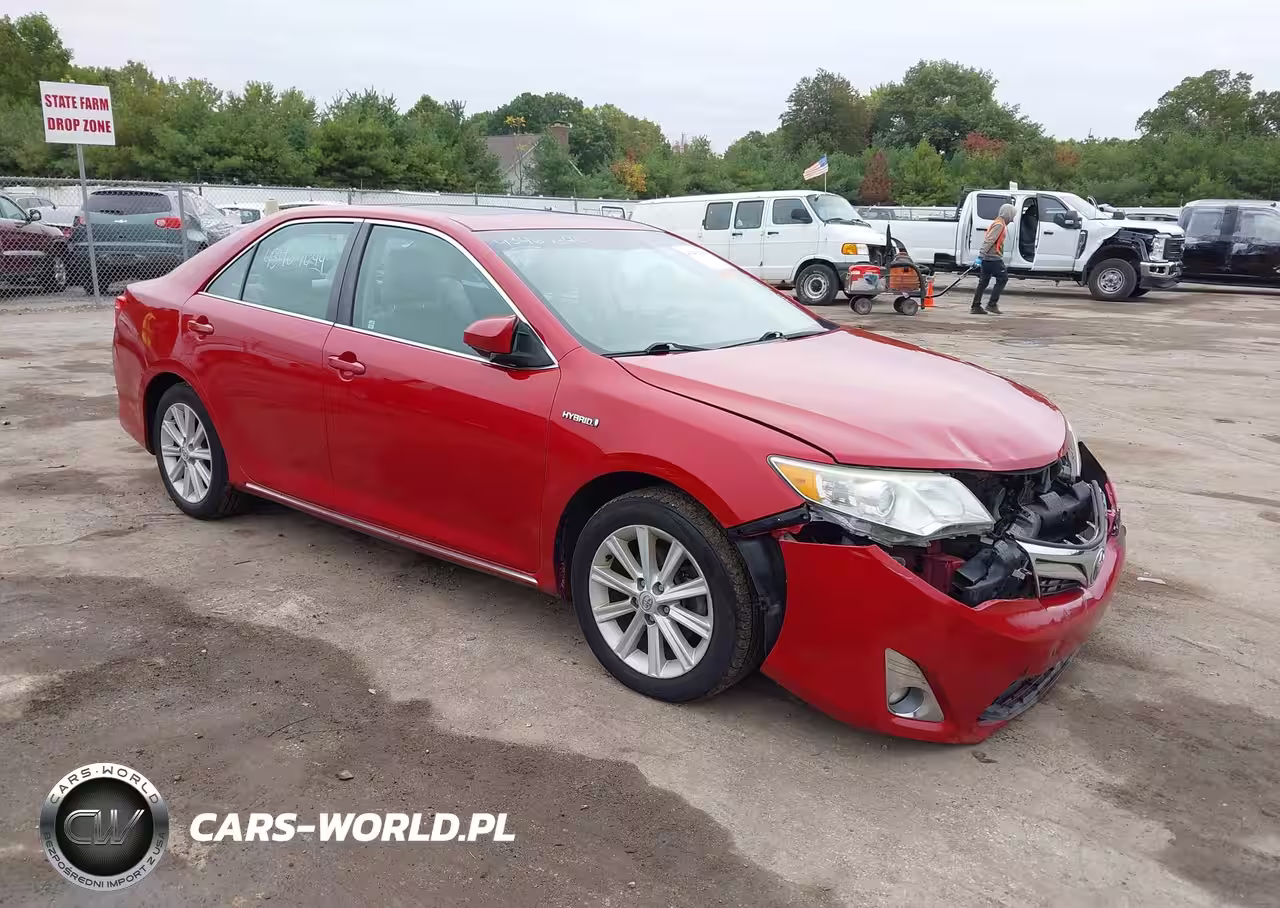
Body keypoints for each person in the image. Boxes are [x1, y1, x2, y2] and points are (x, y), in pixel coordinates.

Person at [972, 203, 1015, 315]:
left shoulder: (997, 222)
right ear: (1008, 214)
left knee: (983, 282)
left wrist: (982, 257)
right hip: (993, 258)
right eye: (1012, 216)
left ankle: (975, 306)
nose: (1012, 219)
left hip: (987, 258)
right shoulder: (999, 225)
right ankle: (992, 304)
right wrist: (980, 256)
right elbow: (989, 241)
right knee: (1003, 279)